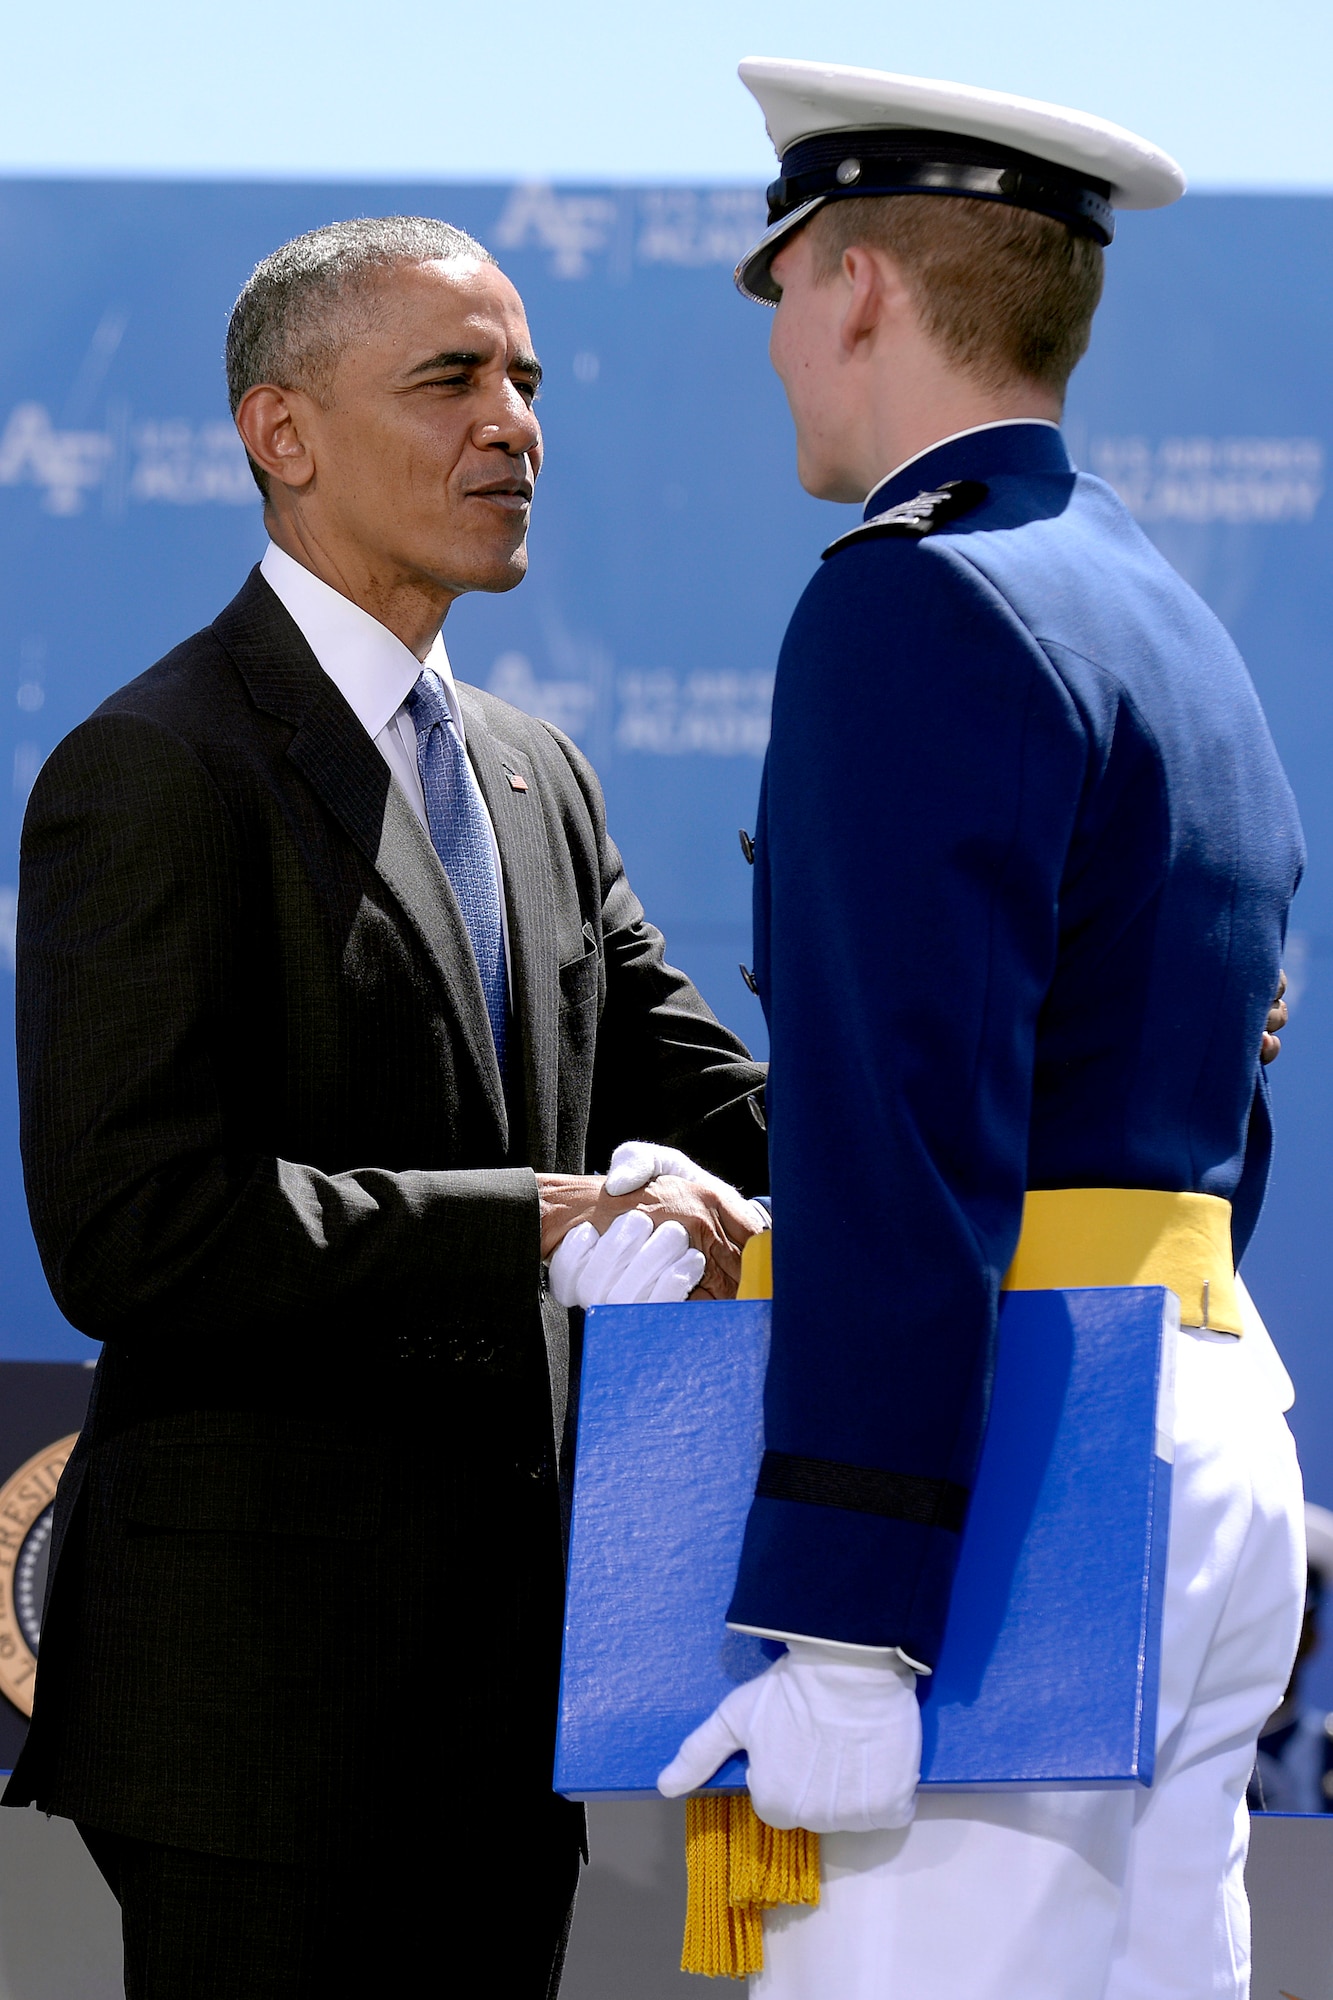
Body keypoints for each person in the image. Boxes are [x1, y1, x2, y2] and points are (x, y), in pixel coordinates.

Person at [5, 216, 769, 1998]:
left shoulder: (535, 775)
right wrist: (533, 1223)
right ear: (283, 434)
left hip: (507, 1705)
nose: (513, 423)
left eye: (524, 380)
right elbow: (134, 1227)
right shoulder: (152, 767)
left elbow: (723, 1111)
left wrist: (1044, 1072)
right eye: (452, 378)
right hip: (263, 1722)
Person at [659, 59, 1307, 1999]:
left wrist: (846, 1619)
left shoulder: (916, 606)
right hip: (1190, 1423)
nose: (771, 337)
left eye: (773, 281)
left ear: (856, 282)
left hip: (997, 1494)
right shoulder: (1165, 619)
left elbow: (900, 1135)